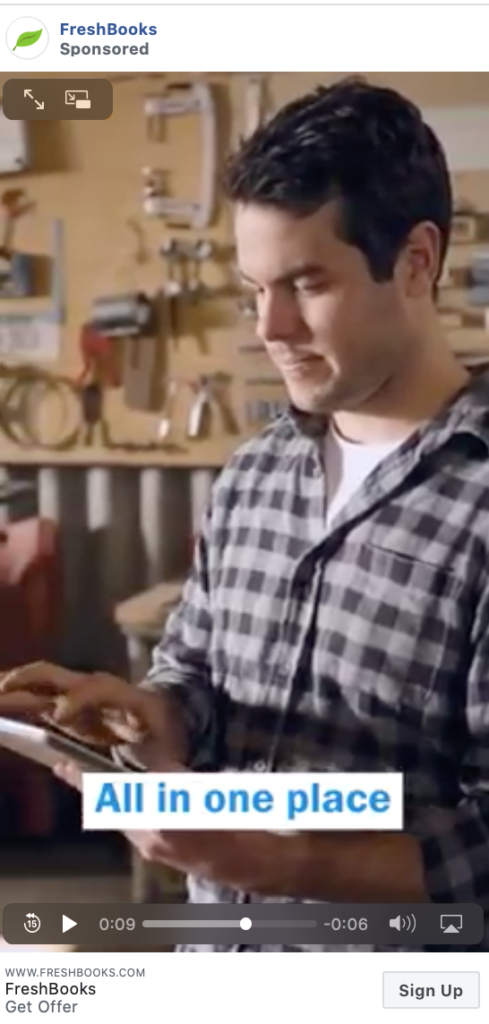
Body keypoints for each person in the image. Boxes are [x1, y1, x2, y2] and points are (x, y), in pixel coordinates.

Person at [1, 75, 489, 953]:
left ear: (417, 260)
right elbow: (196, 672)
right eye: (254, 288)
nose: (272, 327)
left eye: (306, 284)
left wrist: (277, 861)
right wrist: (152, 714)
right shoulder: (254, 472)